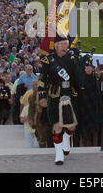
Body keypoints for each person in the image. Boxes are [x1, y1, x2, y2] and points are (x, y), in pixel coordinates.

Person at [38, 35, 79, 165]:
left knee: (72, 125)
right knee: (57, 125)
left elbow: (76, 77)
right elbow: (42, 80)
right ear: (55, 46)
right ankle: (59, 153)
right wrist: (42, 96)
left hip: (69, 94)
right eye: (61, 45)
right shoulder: (47, 61)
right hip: (55, 95)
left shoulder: (72, 59)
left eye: (66, 44)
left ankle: (67, 138)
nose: (64, 47)